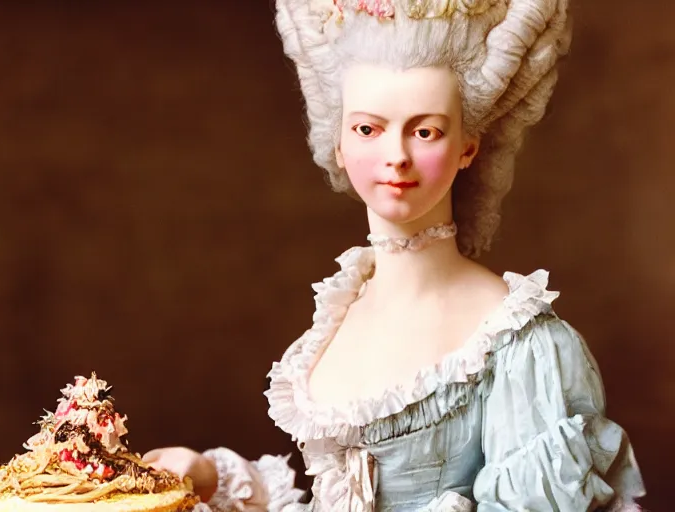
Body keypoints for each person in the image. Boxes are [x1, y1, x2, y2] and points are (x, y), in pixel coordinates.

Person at [143, 0, 646, 509]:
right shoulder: (343, 311)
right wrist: (209, 477)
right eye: (368, 129)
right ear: (337, 142)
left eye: (424, 131)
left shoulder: (521, 345)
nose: (396, 156)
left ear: (468, 146)